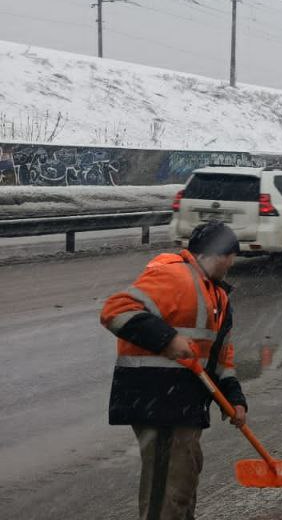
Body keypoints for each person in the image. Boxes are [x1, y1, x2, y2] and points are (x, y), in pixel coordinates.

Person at [99, 221, 247, 520]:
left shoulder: (219, 297)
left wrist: (234, 398)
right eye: (230, 256)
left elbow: (220, 358)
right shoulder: (174, 275)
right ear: (218, 254)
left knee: (184, 478)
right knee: (167, 486)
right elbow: (116, 311)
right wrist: (168, 339)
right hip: (157, 398)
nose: (232, 264)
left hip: (186, 402)